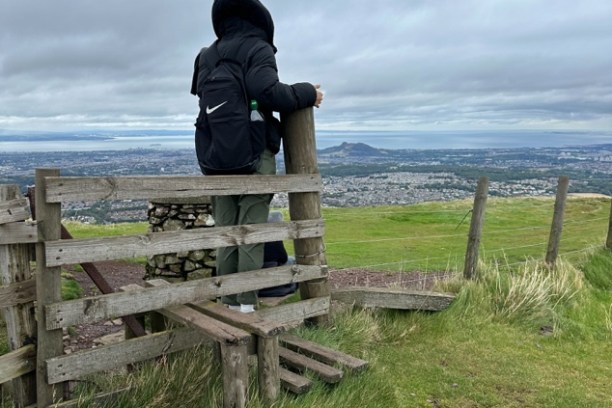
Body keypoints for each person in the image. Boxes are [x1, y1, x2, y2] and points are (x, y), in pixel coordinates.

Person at [191, 0, 324, 313]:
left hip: (215, 157)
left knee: (226, 232)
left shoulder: (206, 55)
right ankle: (247, 306)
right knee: (251, 231)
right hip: (252, 153)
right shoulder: (257, 48)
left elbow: (201, 96)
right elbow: (268, 92)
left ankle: (227, 302)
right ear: (261, 19)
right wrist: (308, 92)